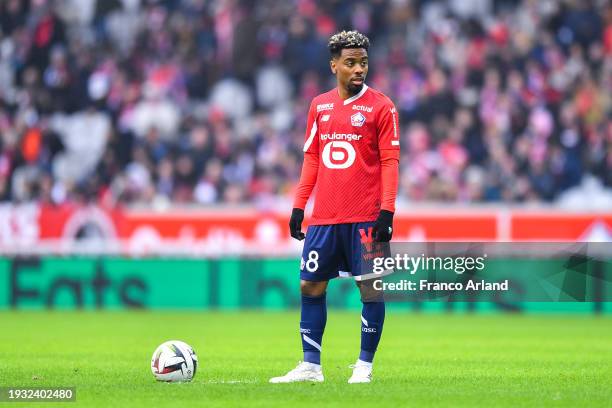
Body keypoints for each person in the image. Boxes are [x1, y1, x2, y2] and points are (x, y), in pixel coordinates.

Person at [269, 30, 400, 384]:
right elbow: (312, 157)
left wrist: (387, 211)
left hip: (367, 218)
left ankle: (364, 366)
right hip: (325, 217)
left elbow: (390, 161)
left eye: (364, 62)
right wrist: (299, 207)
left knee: (370, 288)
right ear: (334, 65)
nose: (359, 69)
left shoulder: (382, 106)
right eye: (351, 62)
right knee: (310, 287)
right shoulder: (319, 106)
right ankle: (311, 365)